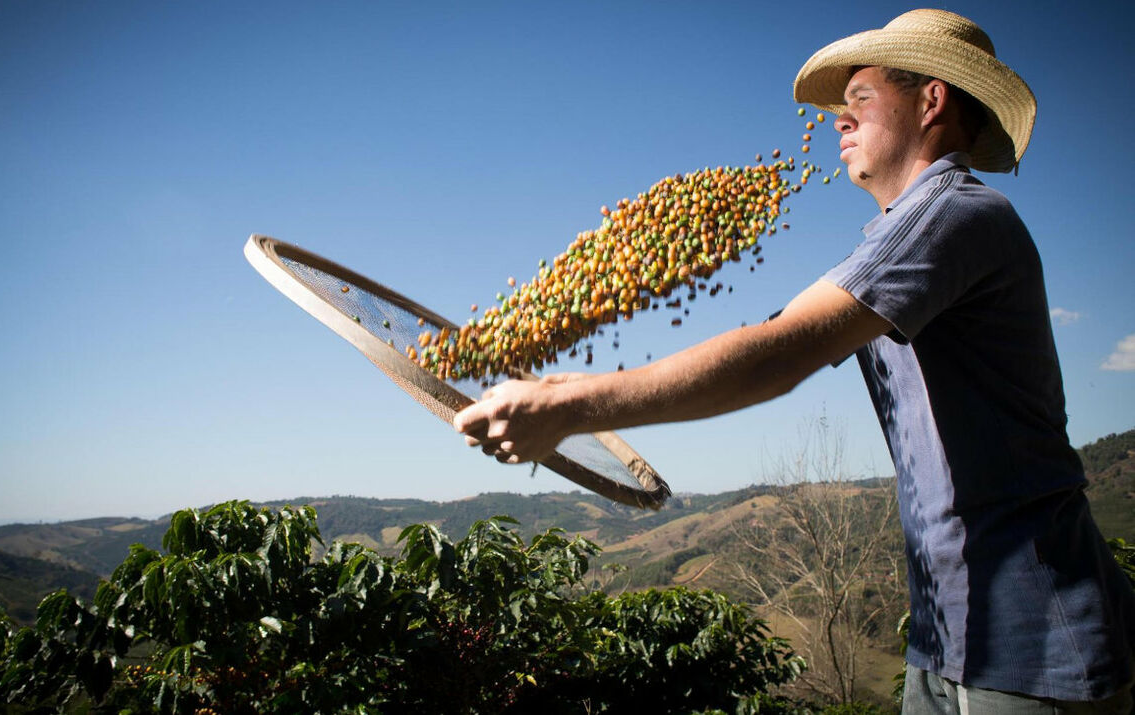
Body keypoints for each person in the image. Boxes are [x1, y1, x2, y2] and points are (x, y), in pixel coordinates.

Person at [454, 9, 1134, 712]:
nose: (840, 123)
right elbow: (781, 332)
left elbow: (779, 355)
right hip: (951, 634)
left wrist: (572, 407)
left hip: (1031, 642)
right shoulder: (902, 237)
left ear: (931, 102)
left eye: (860, 101)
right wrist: (575, 384)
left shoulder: (952, 215)